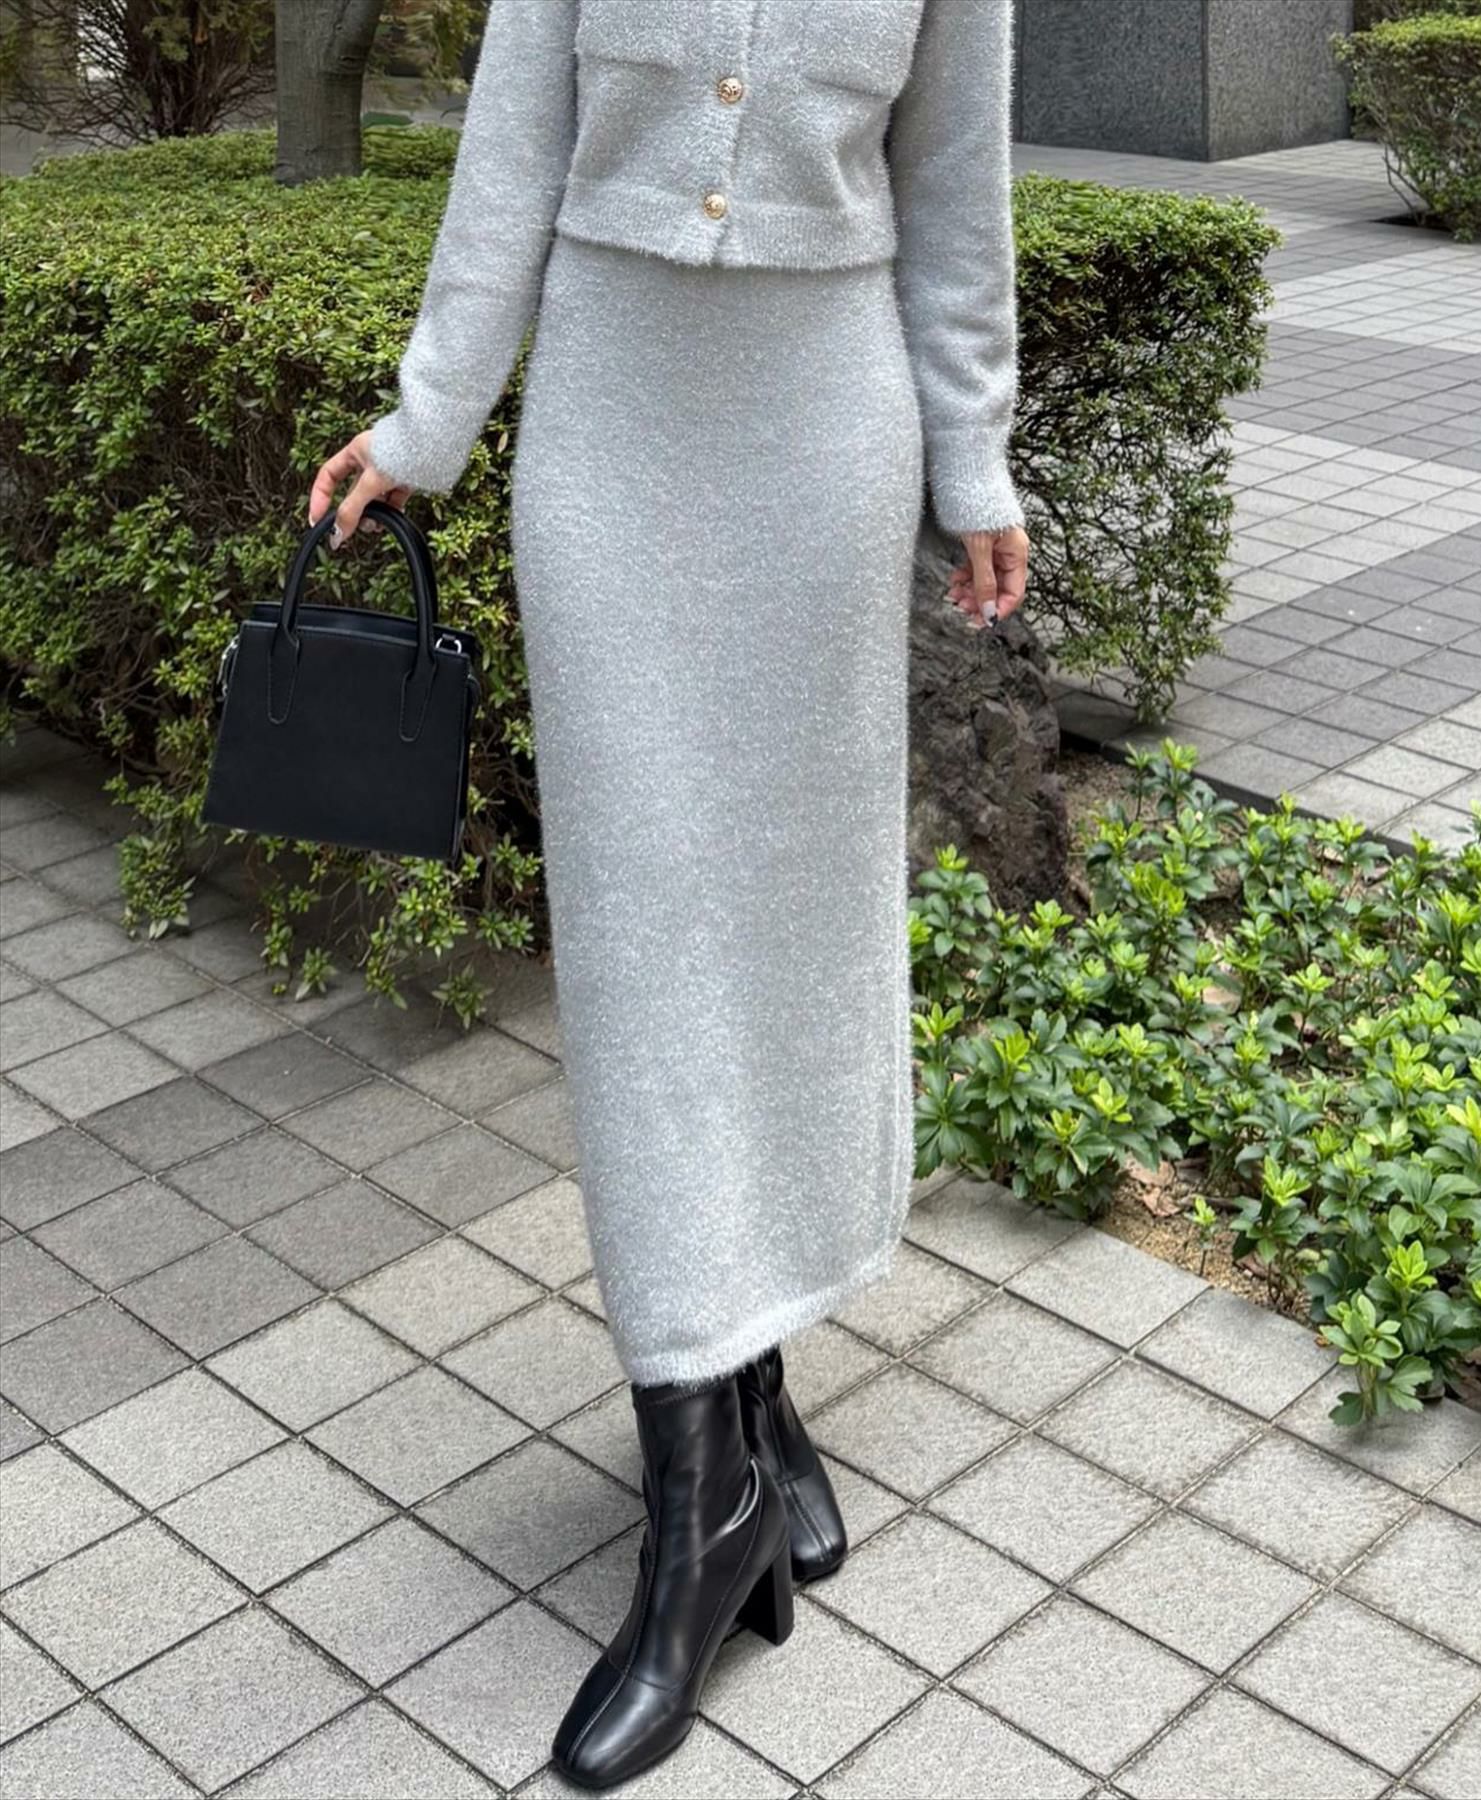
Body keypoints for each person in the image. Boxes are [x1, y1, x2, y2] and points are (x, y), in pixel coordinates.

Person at [310, 0, 1029, 1787]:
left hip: (821, 442)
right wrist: (427, 418)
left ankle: (749, 1411)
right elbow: (507, 162)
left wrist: (974, 455)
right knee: (645, 961)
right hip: (614, 438)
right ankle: (704, 1504)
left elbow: (955, 190)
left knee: (783, 940)